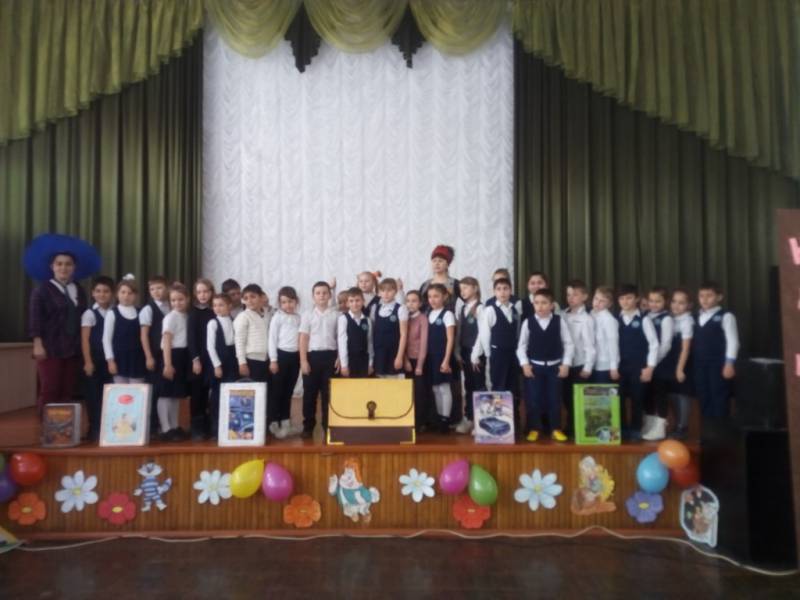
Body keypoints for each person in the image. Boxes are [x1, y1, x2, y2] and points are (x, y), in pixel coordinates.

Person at [27, 235, 98, 411]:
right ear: (52, 266)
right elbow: (35, 319)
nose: (63, 267)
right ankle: (47, 426)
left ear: (74, 268)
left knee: (68, 390)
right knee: (50, 389)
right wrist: (37, 345)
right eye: (59, 264)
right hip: (50, 348)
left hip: (73, 348)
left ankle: (64, 427)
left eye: (68, 264)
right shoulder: (41, 290)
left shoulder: (79, 289)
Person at [517, 288, 574, 442]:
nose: (540, 306)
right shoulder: (528, 322)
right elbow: (521, 346)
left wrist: (566, 364)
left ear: (552, 305)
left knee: (554, 399)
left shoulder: (559, 321)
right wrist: (525, 364)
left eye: (544, 303)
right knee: (534, 399)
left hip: (555, 368)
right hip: (535, 368)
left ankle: (556, 428)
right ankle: (534, 428)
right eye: (537, 303)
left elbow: (568, 344)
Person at [617, 284, 659, 440]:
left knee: (637, 399)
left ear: (637, 299)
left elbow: (654, 344)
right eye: (622, 298)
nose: (625, 301)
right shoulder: (615, 319)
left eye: (629, 298)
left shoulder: (644, 319)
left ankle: (635, 429)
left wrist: (650, 367)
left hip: (638, 367)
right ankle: (621, 429)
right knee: (619, 399)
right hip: (620, 367)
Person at [299, 281, 339, 437]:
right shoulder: (307, 315)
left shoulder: (336, 315)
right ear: (313, 296)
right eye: (318, 293)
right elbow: (303, 338)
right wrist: (303, 361)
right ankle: (308, 426)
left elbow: (340, 338)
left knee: (328, 394)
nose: (321, 296)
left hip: (331, 357)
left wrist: (339, 357)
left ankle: (328, 425)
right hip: (312, 357)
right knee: (310, 393)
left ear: (329, 295)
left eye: (324, 293)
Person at [693, 281, 738, 419]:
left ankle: (720, 430)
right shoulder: (696, 316)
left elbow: (733, 341)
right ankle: (708, 430)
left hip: (718, 364)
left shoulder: (726, 316)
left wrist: (729, 363)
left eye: (709, 295)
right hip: (700, 364)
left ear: (719, 297)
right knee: (703, 396)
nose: (705, 299)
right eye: (701, 296)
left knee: (719, 396)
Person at [80, 276, 114, 441]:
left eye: (106, 291)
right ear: (93, 293)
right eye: (98, 291)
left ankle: (110, 428)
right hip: (95, 359)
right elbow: (85, 339)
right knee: (93, 396)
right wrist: (88, 361)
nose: (102, 294)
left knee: (110, 395)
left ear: (112, 293)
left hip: (111, 360)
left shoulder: (115, 311)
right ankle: (94, 429)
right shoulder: (89, 314)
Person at [562, 279, 596, 435]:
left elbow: (590, 346)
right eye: (568, 294)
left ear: (585, 296)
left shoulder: (587, 318)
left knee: (579, 399)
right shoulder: (562, 314)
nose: (571, 298)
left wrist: (588, 367)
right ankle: (571, 426)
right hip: (564, 364)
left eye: (575, 295)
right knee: (566, 397)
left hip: (579, 365)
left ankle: (578, 429)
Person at [268, 286, 303, 439]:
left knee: (289, 391)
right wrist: (273, 360)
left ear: (296, 301)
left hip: (294, 358)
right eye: (284, 302)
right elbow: (272, 339)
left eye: (290, 301)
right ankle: (273, 422)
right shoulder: (277, 317)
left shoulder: (298, 318)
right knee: (278, 391)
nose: (287, 305)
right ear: (280, 303)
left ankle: (286, 422)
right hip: (281, 356)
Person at [159, 283, 192, 441]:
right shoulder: (170, 317)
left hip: (181, 356)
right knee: (166, 393)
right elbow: (166, 340)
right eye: (173, 300)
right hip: (171, 355)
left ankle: (174, 426)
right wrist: (167, 364)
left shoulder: (185, 316)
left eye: (180, 299)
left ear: (187, 299)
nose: (177, 303)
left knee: (175, 394)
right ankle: (165, 428)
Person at [475, 277, 519, 394]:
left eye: (505, 288)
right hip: (497, 353)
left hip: (512, 353)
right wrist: (488, 353)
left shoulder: (514, 310)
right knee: (499, 384)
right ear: (494, 292)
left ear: (510, 290)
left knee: (512, 384)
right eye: (499, 289)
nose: (502, 292)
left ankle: (512, 406)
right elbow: (484, 334)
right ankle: (499, 407)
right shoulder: (490, 310)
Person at [642, 286, 673, 441]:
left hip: (661, 365)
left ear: (665, 302)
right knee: (648, 394)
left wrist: (652, 363)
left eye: (658, 301)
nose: (653, 304)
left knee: (660, 394)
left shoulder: (666, 319)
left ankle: (660, 427)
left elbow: (666, 345)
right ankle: (649, 424)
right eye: (651, 301)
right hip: (648, 365)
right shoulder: (645, 316)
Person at [139, 275, 169, 432]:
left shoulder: (171, 305)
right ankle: (152, 427)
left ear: (167, 288)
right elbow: (144, 335)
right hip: (155, 356)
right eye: (152, 289)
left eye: (159, 288)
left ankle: (166, 425)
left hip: (168, 355)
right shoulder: (148, 309)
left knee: (166, 390)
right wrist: (148, 356)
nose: (156, 292)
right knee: (155, 391)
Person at [455, 276, 484, 434]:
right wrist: (458, 351)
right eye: (461, 289)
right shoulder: (462, 309)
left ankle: (481, 421)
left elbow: (482, 333)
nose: (462, 291)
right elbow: (460, 333)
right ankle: (469, 417)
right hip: (465, 352)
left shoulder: (480, 308)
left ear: (475, 288)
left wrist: (476, 354)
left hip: (477, 354)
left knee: (479, 385)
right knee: (469, 385)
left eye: (465, 288)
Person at [187, 278, 216, 440]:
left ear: (211, 292)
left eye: (205, 291)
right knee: (198, 393)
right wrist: (195, 359)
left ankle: (209, 425)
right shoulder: (194, 313)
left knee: (210, 393)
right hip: (199, 360)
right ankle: (197, 428)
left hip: (213, 359)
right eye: (199, 292)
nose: (202, 295)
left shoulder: (215, 311)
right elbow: (191, 339)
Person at [103, 276, 146, 384]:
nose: (126, 296)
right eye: (123, 292)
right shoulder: (112, 313)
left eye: (130, 293)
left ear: (135, 295)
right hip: (119, 360)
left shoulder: (141, 312)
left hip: (137, 360)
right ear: (117, 294)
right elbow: (106, 340)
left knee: (137, 391)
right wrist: (110, 361)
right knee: (121, 392)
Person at [206, 293, 238, 440]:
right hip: (219, 362)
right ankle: (215, 429)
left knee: (231, 395)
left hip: (232, 361)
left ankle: (230, 428)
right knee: (217, 396)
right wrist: (217, 365)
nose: (217, 308)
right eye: (215, 305)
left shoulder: (233, 321)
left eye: (221, 305)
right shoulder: (213, 323)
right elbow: (210, 347)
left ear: (229, 306)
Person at [425, 284, 456, 433]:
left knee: (444, 387)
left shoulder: (447, 314)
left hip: (442, 356)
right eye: (430, 297)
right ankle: (439, 417)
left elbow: (450, 339)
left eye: (436, 296)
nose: (432, 300)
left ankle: (446, 419)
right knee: (435, 388)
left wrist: (446, 360)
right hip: (430, 357)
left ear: (444, 297)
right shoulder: (428, 313)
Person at [371, 278, 408, 379]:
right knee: (380, 384)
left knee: (396, 384)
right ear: (379, 292)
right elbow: (372, 333)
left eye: (389, 290)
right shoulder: (375, 308)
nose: (386, 293)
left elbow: (404, 335)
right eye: (383, 290)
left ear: (395, 291)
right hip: (379, 353)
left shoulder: (401, 308)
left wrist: (399, 357)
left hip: (394, 353)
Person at [404, 290, 429, 431]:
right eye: (408, 301)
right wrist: (405, 359)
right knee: (407, 392)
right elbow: (401, 340)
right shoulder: (404, 317)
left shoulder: (422, 319)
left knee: (419, 392)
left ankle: (419, 422)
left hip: (419, 361)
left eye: (414, 301)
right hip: (406, 361)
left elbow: (423, 343)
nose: (410, 304)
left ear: (420, 303)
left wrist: (419, 365)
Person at [234, 283, 270, 383]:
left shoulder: (267, 314)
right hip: (251, 361)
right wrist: (242, 363)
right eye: (246, 298)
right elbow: (239, 341)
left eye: (253, 297)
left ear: (261, 297)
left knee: (265, 389)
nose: (249, 300)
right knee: (253, 389)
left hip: (266, 359)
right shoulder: (243, 316)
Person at [337, 287, 373, 378]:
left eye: (357, 300)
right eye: (351, 301)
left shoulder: (367, 320)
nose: (355, 304)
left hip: (364, 360)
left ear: (363, 301)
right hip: (349, 360)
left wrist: (370, 363)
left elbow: (370, 343)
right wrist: (344, 365)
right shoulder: (343, 319)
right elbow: (342, 342)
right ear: (347, 303)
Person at [591, 286, 619, 384]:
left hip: (604, 366)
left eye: (602, 301)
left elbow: (613, 344)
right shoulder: (590, 314)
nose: (597, 303)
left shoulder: (609, 320)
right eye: (596, 299)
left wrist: (614, 367)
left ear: (609, 304)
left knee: (602, 393)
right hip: (591, 364)